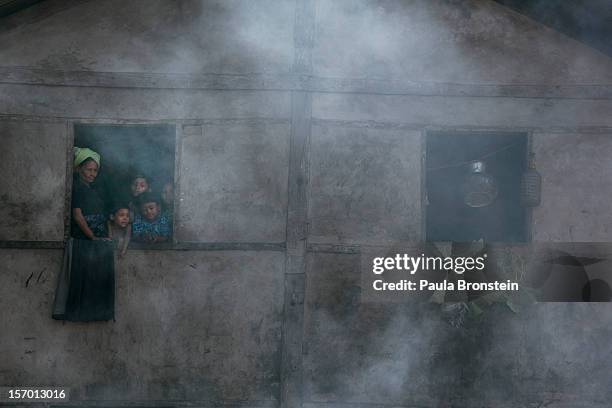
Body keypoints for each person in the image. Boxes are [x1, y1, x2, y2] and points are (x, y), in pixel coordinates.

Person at [53, 147, 115, 322]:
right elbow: (78, 216)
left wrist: (107, 237)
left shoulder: (93, 190)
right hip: (84, 243)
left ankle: (94, 314)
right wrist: (92, 238)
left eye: (95, 170)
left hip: (96, 243)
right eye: (89, 169)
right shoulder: (77, 189)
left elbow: (105, 217)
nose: (92, 173)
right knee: (83, 284)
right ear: (79, 168)